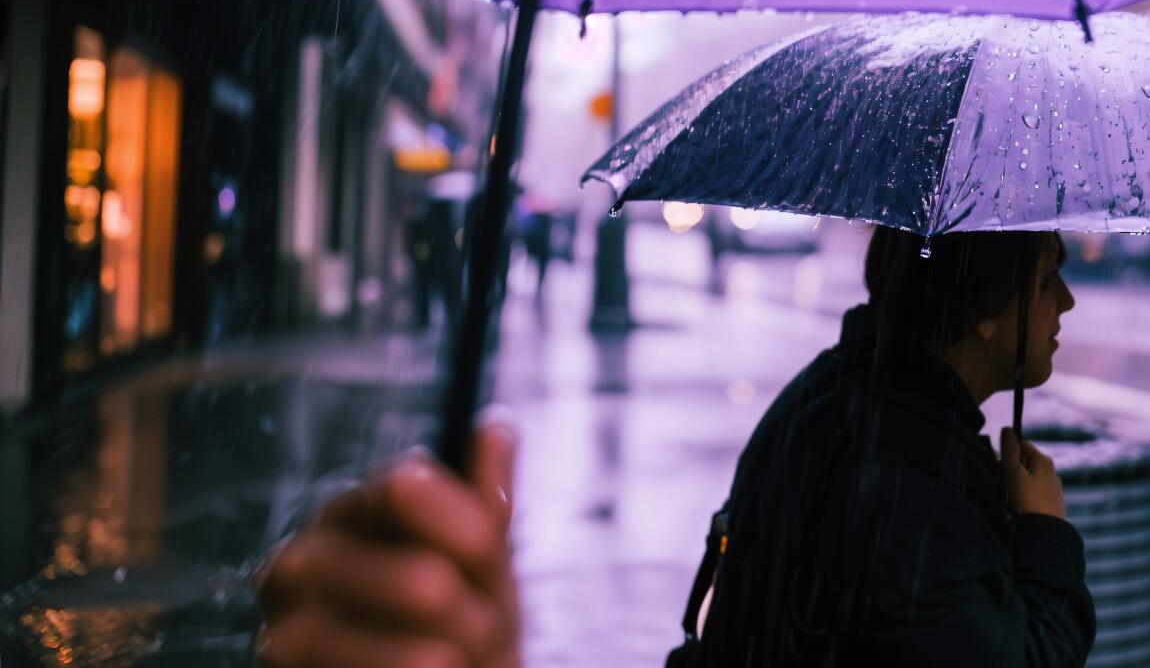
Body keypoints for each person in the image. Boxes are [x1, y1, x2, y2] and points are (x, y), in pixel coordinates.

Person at [256, 227, 1094, 668]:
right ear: (987, 308)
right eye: (1046, 274)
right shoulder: (914, 479)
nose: (1064, 300)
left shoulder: (838, 394)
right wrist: (1044, 541)